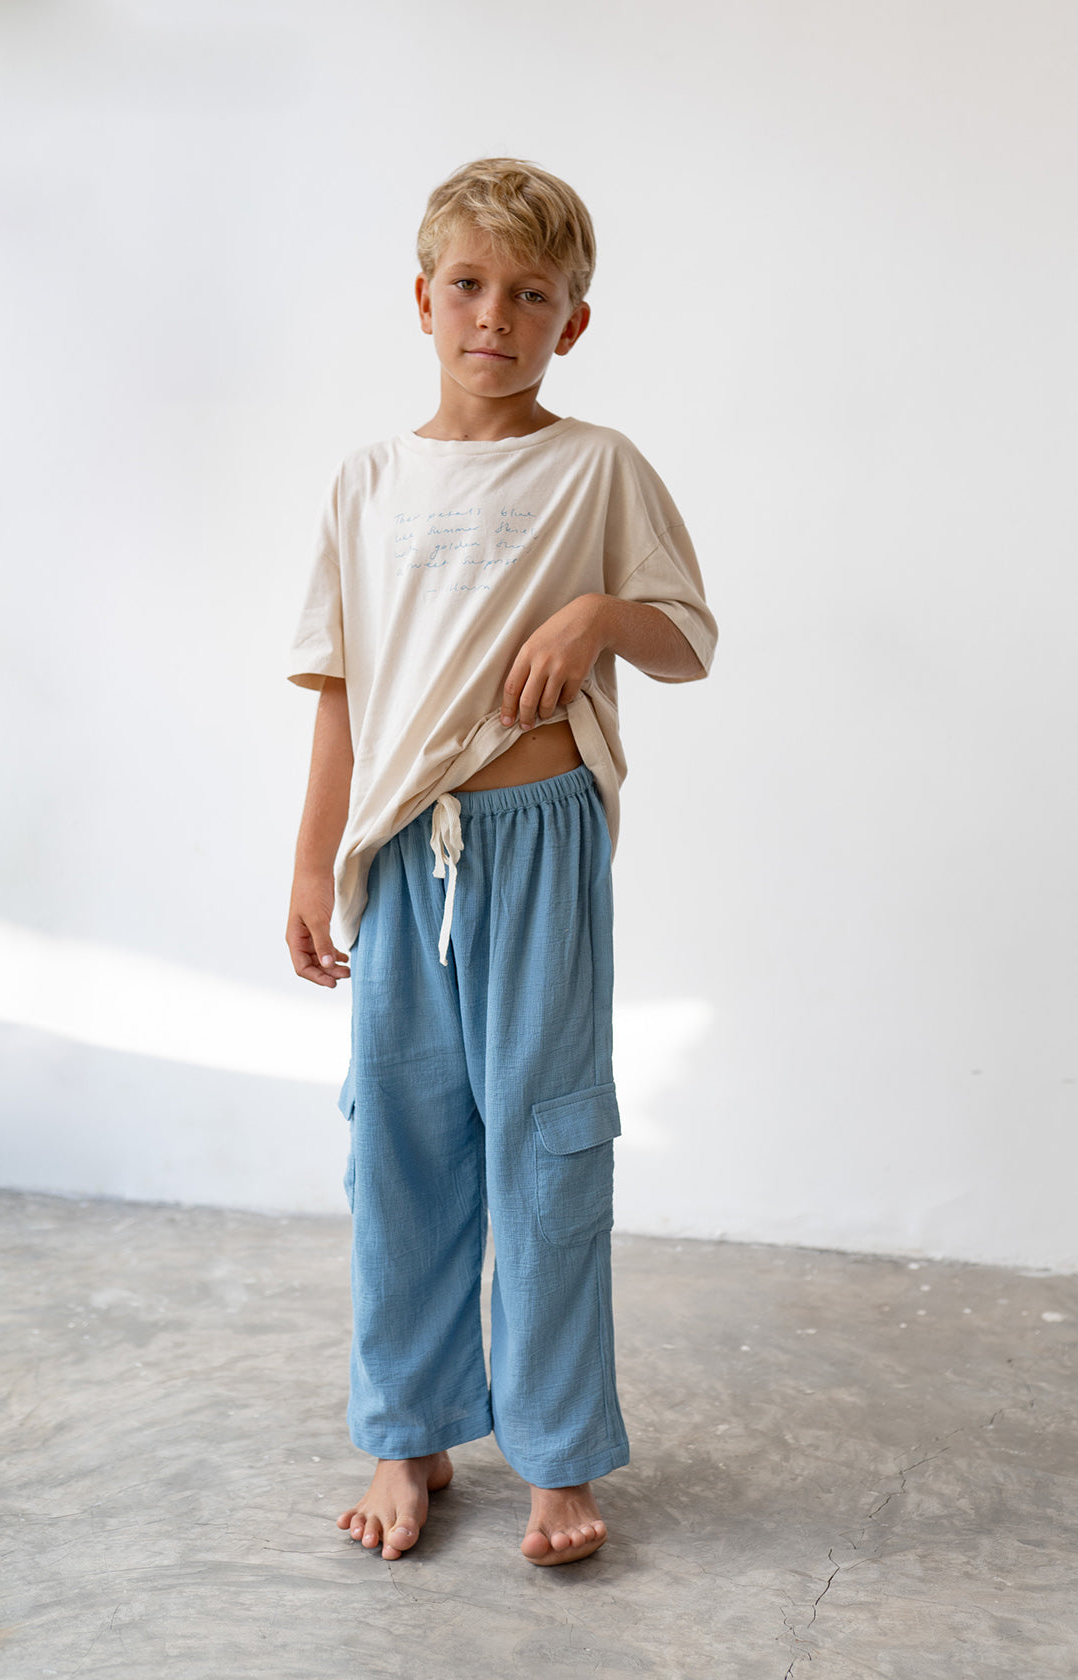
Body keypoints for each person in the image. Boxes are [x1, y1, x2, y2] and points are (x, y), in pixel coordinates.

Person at [285, 157, 718, 1566]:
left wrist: (599, 615)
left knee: (548, 1144)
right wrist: (311, 865)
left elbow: (689, 638)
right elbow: (344, 689)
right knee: (401, 1148)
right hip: (402, 851)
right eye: (469, 286)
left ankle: (554, 1454)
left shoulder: (597, 468)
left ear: (570, 322)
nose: (497, 315)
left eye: (532, 294)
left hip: (542, 848)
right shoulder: (367, 481)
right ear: (423, 300)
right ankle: (406, 1437)